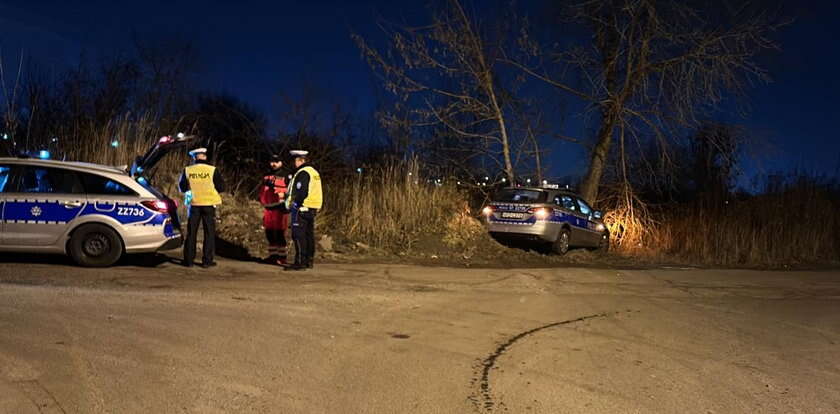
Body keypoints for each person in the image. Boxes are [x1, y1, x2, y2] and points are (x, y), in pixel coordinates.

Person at [179, 148, 225, 268]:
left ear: (194, 157)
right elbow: (221, 187)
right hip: (209, 204)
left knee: (191, 233)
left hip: (193, 204)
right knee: (209, 233)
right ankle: (207, 261)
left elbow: (182, 187)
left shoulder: (187, 170)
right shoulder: (212, 170)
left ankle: (189, 261)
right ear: (205, 157)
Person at [285, 150, 322, 271]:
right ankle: (308, 261)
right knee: (308, 235)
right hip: (312, 208)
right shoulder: (314, 172)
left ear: (301, 160)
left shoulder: (303, 173)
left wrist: (295, 204)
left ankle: (300, 262)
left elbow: (302, 191)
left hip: (302, 207)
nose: (294, 163)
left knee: (298, 235)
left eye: (295, 160)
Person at [258, 154, 290, 265]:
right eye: (272, 161)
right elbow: (262, 190)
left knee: (280, 233)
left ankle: (282, 258)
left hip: (280, 209)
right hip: (268, 208)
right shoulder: (266, 175)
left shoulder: (286, 175)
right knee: (269, 233)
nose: (273, 164)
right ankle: (273, 256)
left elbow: (288, 191)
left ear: (281, 162)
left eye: (276, 161)